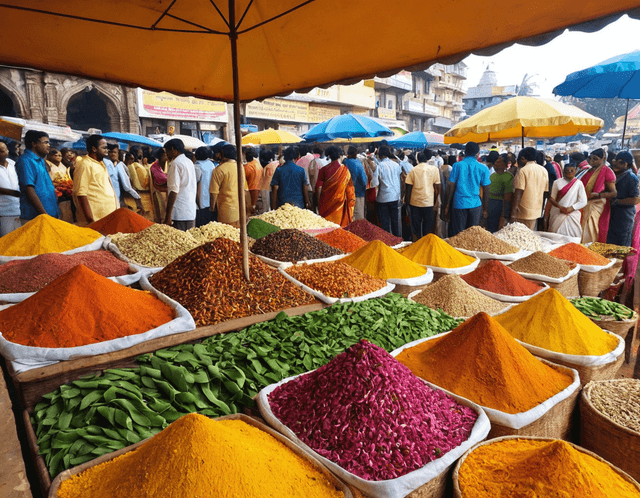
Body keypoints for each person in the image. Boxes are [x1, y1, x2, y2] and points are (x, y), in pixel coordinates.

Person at [443, 142, 490, 237]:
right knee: (472, 235)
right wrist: (485, 209)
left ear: (465, 152)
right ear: (478, 153)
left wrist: (447, 205)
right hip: (475, 205)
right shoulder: (483, 168)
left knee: (459, 235)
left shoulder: (457, 166)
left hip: (459, 204)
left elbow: (451, 186)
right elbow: (486, 190)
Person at [72, 135, 119, 224]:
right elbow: (81, 193)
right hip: (95, 220)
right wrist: (90, 220)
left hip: (108, 216)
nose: (107, 150)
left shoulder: (101, 162)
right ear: (94, 149)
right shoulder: (85, 164)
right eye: (104, 148)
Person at [15, 130, 59, 221]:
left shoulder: (41, 161)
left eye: (49, 142)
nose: (49, 145)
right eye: (45, 142)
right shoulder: (25, 161)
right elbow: (29, 189)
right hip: (36, 217)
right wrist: (44, 214)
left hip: (49, 214)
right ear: (34, 144)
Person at [579, 148, 617, 243]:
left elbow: (614, 193)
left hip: (596, 204)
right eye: (590, 158)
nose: (592, 161)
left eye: (595, 159)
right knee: (580, 228)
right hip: (582, 203)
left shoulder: (607, 171)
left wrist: (599, 195)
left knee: (590, 229)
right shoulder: (585, 170)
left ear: (603, 159)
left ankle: (590, 250)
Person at [606, 151, 640, 247]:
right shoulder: (612, 174)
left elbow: (635, 199)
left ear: (626, 165)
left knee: (621, 247)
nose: (616, 164)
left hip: (624, 218)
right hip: (611, 217)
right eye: (615, 161)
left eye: (620, 162)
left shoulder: (632, 178)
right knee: (609, 245)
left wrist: (617, 202)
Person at [405, 150, 441, 240]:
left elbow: (408, 188)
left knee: (416, 227)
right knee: (428, 227)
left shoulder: (412, 170)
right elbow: (437, 188)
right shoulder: (434, 170)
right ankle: (427, 245)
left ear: (417, 159)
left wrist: (407, 202)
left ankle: (417, 246)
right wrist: (436, 200)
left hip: (415, 202)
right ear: (426, 159)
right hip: (429, 202)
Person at [210, 144, 249, 227]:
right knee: (237, 236)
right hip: (239, 209)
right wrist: (248, 207)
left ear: (223, 154)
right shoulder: (240, 167)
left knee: (227, 236)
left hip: (225, 211)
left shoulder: (219, 170)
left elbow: (214, 192)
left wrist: (212, 208)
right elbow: (245, 189)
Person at [510, 147, 549, 230]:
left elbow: (519, 191)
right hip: (536, 211)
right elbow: (546, 192)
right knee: (530, 234)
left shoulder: (523, 171)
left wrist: (513, 211)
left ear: (523, 158)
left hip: (523, 212)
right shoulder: (543, 170)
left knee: (522, 236)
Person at [315, 146, 355, 226]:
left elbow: (318, 188)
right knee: (337, 231)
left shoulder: (323, 170)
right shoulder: (345, 170)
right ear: (340, 155)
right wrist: (351, 204)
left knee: (325, 229)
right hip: (339, 207)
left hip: (324, 205)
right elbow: (350, 191)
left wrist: (318, 203)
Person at [163, 138, 197, 230]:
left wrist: (168, 216)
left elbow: (174, 191)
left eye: (167, 151)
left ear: (173, 150)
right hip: (190, 211)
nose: (166, 155)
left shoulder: (175, 164)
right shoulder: (189, 162)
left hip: (179, 213)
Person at [547, 163, 588, 238]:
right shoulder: (557, 182)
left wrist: (571, 208)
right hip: (558, 213)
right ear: (563, 172)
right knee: (556, 236)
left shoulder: (579, 184)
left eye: (571, 171)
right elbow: (551, 198)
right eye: (567, 171)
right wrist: (560, 207)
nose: (569, 172)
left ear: (575, 171)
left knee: (572, 238)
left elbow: (583, 201)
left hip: (572, 214)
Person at [370, 145, 402, 237]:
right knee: (395, 220)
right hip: (395, 196)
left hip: (383, 198)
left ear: (380, 154)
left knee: (385, 222)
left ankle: (387, 242)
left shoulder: (380, 166)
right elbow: (400, 177)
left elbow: (374, 183)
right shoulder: (396, 165)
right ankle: (397, 240)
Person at [106, 144, 144, 211]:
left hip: (116, 198)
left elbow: (127, 186)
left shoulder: (119, 166)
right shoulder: (108, 164)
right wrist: (137, 199)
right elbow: (127, 187)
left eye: (115, 152)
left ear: (118, 154)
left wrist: (137, 198)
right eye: (111, 152)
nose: (113, 154)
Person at [271, 146, 310, 210]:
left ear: (285, 157)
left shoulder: (279, 170)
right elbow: (305, 187)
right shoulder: (301, 170)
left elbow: (274, 189)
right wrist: (307, 201)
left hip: (282, 204)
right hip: (298, 204)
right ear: (296, 157)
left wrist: (273, 208)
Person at [486, 153, 514, 233]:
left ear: (505, 165)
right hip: (490, 204)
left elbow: (507, 197)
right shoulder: (492, 175)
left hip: (500, 204)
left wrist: (504, 215)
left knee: (499, 230)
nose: (496, 165)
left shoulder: (508, 176)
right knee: (489, 228)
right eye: (496, 163)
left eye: (499, 163)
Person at [0, 140, 21, 235]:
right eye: (2, 151)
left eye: (6, 149)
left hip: (18, 209)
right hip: (3, 212)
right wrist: (10, 192)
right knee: (6, 241)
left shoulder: (12, 163)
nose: (6, 152)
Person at [343, 146, 368, 221]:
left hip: (346, 193)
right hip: (358, 193)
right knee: (359, 216)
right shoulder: (358, 163)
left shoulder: (344, 162)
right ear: (356, 154)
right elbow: (364, 180)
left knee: (349, 215)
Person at [194, 146, 215, 227]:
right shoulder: (211, 164)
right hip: (211, 199)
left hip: (201, 202)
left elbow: (195, 185)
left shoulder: (196, 166)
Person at [243, 147, 263, 216]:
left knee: (249, 215)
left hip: (250, 193)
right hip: (259, 192)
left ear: (245, 155)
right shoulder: (257, 164)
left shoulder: (246, 167)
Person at [257, 149, 277, 214]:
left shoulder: (267, 167)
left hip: (265, 189)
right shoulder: (275, 164)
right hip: (272, 189)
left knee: (265, 211)